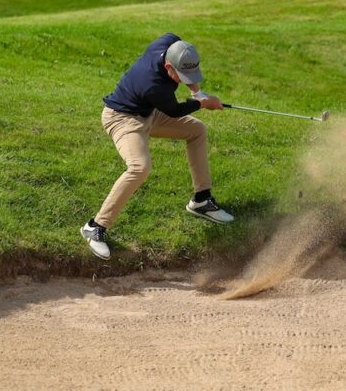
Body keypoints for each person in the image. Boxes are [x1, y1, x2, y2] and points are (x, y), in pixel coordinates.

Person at [80, 34, 233, 260]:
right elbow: (175, 111)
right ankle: (95, 227)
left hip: (148, 112)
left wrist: (197, 91)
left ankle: (201, 200)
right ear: (168, 65)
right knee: (139, 167)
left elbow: (181, 60)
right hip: (122, 119)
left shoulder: (170, 43)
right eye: (180, 75)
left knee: (197, 130)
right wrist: (203, 103)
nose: (182, 80)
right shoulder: (153, 84)